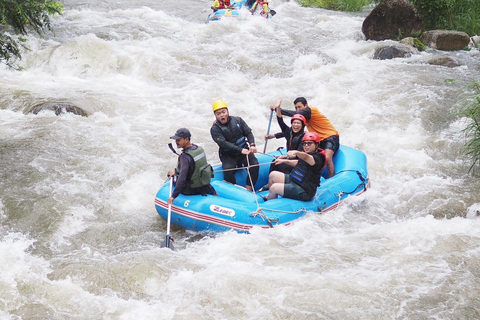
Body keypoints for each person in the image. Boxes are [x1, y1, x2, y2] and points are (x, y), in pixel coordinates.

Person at [280, 97, 339, 178]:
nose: (298, 110)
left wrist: (279, 110)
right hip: (317, 140)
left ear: (306, 105)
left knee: (327, 158)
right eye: (296, 108)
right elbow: (291, 131)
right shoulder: (304, 118)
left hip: (330, 136)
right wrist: (275, 136)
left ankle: (332, 178)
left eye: (299, 107)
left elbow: (296, 114)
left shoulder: (311, 110)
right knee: (310, 157)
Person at [210, 100, 259, 191]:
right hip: (228, 155)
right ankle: (235, 190)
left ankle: (249, 188)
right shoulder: (215, 129)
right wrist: (240, 150)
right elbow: (224, 144)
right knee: (228, 170)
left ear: (228, 111)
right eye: (218, 113)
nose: (222, 115)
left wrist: (252, 145)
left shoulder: (238, 120)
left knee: (255, 165)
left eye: (223, 112)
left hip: (244, 151)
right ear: (215, 115)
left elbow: (248, 133)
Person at [263, 132, 326, 201]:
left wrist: (296, 152)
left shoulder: (318, 158)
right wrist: (284, 161)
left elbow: (306, 158)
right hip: (294, 181)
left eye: (309, 143)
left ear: (316, 145)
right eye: (305, 143)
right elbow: (299, 163)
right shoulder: (307, 153)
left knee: (274, 187)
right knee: (273, 175)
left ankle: (270, 202)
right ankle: (271, 196)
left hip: (304, 190)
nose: (306, 146)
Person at [167, 128, 216, 205]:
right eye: (176, 140)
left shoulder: (185, 157)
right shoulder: (199, 149)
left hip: (191, 189)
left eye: (179, 140)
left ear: (186, 140)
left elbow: (182, 178)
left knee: (171, 174)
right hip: (204, 185)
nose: (176, 142)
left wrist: (173, 196)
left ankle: (172, 173)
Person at [264, 101, 306, 174]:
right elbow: (281, 122)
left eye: (298, 123)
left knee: (281, 164)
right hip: (290, 158)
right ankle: (271, 180)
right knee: (275, 161)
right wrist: (278, 109)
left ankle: (283, 181)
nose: (295, 125)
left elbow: (299, 155)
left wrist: (285, 157)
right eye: (294, 123)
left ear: (302, 125)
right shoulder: (289, 132)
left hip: (298, 163)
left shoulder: (304, 137)